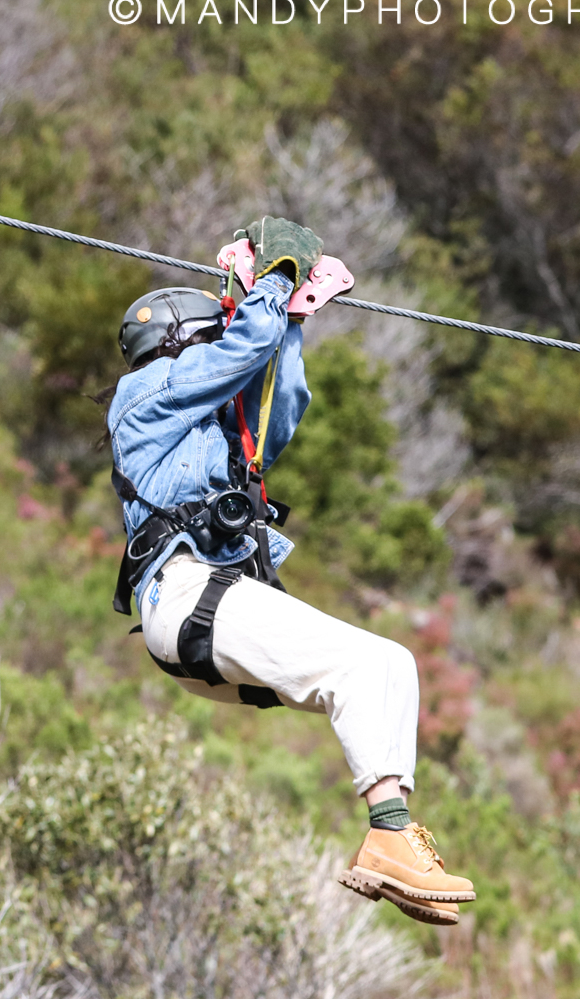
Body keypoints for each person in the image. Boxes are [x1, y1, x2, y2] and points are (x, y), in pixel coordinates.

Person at [104, 215, 475, 926]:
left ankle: (394, 834)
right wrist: (270, 287)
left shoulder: (210, 432)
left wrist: (291, 323)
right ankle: (388, 840)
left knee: (391, 664)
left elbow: (281, 409)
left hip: (208, 614)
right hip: (186, 599)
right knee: (364, 668)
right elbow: (241, 349)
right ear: (179, 343)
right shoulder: (144, 397)